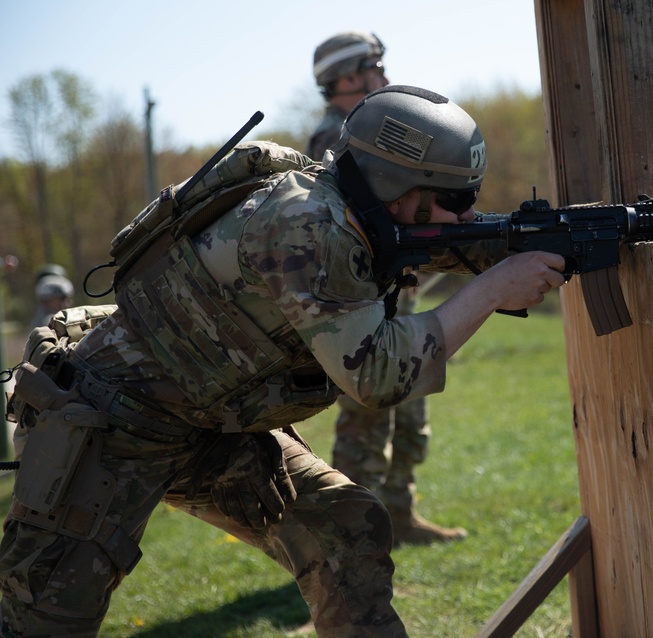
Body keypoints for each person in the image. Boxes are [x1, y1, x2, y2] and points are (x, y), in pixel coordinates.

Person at [0, 85, 571, 637]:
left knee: (345, 527)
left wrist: (563, 235)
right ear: (397, 183)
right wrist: (494, 289)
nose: (466, 214)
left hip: (211, 421)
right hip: (112, 420)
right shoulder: (306, 224)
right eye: (456, 199)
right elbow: (376, 374)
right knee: (43, 616)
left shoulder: (360, 215)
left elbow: (449, 240)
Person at [306, 31, 465, 544]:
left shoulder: (367, 130)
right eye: (374, 68)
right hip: (365, 311)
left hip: (398, 303)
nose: (384, 77)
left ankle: (399, 516)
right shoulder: (339, 139)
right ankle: (353, 539)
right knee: (366, 429)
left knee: (409, 421)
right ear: (347, 79)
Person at [306, 31, 389, 161]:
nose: (386, 81)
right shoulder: (335, 138)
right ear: (350, 79)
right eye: (378, 70)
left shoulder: (351, 130)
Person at [30, 264, 74, 328]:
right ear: (47, 301)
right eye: (61, 299)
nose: (66, 304)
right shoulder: (49, 322)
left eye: (67, 298)